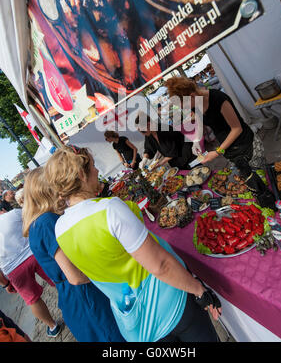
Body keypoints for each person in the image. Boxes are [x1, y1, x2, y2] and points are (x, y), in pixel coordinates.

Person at [43, 145, 221, 343]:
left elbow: (87, 272)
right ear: (80, 174)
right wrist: (199, 290)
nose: (97, 171)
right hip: (171, 304)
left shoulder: (60, 228)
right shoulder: (109, 208)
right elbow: (160, 265)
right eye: (93, 166)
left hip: (137, 326)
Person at [22, 167, 125, 343]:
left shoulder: (37, 223)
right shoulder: (46, 221)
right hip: (85, 297)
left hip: (74, 298)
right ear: (46, 188)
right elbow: (75, 276)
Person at [164, 76, 276, 209]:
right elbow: (200, 125)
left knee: (263, 181)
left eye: (184, 105)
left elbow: (237, 129)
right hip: (229, 148)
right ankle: (266, 203)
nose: (184, 109)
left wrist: (217, 152)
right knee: (249, 182)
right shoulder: (196, 104)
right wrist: (195, 141)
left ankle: (277, 206)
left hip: (245, 144)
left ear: (192, 95)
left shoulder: (219, 99)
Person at [0, 206, 62, 338]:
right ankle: (73, 301)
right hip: (33, 253)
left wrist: (5, 284)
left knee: (32, 299)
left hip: (13, 269)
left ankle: (52, 326)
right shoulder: (12, 214)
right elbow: (33, 221)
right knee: (58, 279)